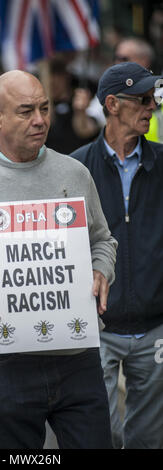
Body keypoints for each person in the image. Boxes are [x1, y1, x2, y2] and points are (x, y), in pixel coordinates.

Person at [0, 70, 117, 449]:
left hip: (76, 354)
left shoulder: (74, 173)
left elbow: (103, 241)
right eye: (26, 111)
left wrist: (100, 270)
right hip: (4, 360)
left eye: (44, 108)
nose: (40, 120)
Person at [71, 62, 163, 449]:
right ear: (112, 104)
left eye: (153, 100)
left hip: (156, 327)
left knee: (148, 439)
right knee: (99, 435)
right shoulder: (75, 168)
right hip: (97, 327)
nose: (151, 108)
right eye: (141, 100)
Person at [45, 58, 99, 154]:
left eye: (57, 74)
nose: (52, 81)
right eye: (49, 75)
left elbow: (86, 131)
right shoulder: (43, 107)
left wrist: (81, 112)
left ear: (67, 76)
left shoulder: (80, 102)